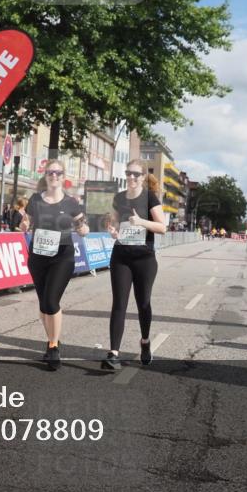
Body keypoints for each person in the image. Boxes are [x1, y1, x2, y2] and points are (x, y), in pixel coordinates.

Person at [19, 159, 89, 371]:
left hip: (62, 257)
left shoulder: (71, 203)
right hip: (38, 257)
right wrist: (24, 224)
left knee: (51, 301)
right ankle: (52, 339)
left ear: (63, 176)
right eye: (50, 172)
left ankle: (53, 347)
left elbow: (81, 224)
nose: (54, 176)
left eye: (58, 173)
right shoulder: (35, 200)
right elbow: (27, 222)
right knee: (43, 306)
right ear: (45, 174)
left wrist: (82, 229)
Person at [102, 161, 167, 370]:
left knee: (143, 304)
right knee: (119, 303)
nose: (131, 177)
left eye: (136, 174)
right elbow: (114, 223)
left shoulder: (149, 197)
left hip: (144, 259)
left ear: (143, 177)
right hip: (121, 255)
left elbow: (162, 227)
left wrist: (141, 223)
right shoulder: (119, 198)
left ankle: (145, 342)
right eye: (128, 173)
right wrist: (112, 230)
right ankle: (113, 353)